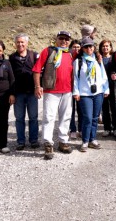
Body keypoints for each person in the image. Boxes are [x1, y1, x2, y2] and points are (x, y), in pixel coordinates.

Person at [33, 30, 74, 159]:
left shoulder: (71, 54)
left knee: (65, 117)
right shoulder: (48, 51)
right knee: (49, 117)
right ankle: (48, 143)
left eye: (66, 39)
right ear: (56, 39)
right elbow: (37, 69)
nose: (64, 41)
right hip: (51, 90)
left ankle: (63, 141)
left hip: (67, 91)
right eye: (61, 38)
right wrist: (38, 86)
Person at [73, 37, 110, 152]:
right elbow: (75, 78)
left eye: (91, 46)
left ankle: (92, 139)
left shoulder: (98, 60)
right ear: (83, 48)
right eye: (86, 47)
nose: (89, 48)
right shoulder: (78, 62)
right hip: (84, 94)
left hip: (98, 92)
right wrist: (76, 92)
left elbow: (104, 75)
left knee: (95, 117)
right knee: (87, 117)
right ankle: (84, 141)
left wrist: (106, 88)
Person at [8, 33, 40, 150]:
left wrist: (39, 87)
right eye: (18, 42)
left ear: (27, 43)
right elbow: (10, 78)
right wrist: (11, 93)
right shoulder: (11, 58)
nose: (20, 44)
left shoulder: (34, 55)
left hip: (32, 93)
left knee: (33, 117)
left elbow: (39, 73)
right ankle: (20, 141)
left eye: (22, 42)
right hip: (18, 93)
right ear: (15, 43)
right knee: (19, 118)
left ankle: (34, 140)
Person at [99, 39, 116, 137]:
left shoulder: (114, 58)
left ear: (110, 47)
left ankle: (115, 128)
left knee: (114, 107)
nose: (105, 48)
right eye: (103, 46)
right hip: (102, 86)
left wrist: (115, 73)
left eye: (107, 46)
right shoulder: (98, 58)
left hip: (112, 85)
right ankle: (107, 128)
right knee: (105, 108)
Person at [68, 39, 82, 140]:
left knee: (81, 109)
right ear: (70, 48)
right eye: (74, 47)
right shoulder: (68, 57)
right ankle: (72, 129)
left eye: (78, 47)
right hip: (69, 87)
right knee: (71, 110)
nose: (76, 49)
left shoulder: (83, 58)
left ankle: (81, 129)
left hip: (81, 88)